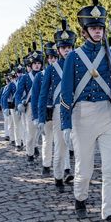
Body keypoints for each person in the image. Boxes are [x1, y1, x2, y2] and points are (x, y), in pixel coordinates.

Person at [60, 0, 111, 222]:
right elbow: (66, 93)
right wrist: (66, 124)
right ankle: (80, 198)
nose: (97, 31)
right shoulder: (74, 57)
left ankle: (108, 215)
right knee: (84, 168)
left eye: (100, 27)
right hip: (82, 115)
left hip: (107, 113)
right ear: (85, 31)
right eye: (93, 27)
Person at [39, 21, 76, 193]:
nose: (67, 50)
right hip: (58, 110)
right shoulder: (52, 69)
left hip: (79, 108)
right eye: (63, 48)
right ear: (59, 50)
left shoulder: (79, 63)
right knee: (61, 145)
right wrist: (40, 117)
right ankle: (58, 176)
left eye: (69, 47)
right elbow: (43, 93)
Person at [32, 42, 59, 177]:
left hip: (60, 110)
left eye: (54, 57)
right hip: (47, 111)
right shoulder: (40, 76)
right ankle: (46, 165)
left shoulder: (64, 71)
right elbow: (37, 97)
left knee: (62, 142)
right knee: (47, 140)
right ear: (47, 60)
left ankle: (64, 169)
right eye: (50, 58)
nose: (52, 60)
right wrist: (37, 117)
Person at [15, 45, 43, 163]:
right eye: (35, 63)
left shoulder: (44, 74)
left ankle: (35, 145)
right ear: (31, 65)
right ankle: (29, 153)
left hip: (42, 105)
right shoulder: (25, 78)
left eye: (39, 63)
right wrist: (18, 104)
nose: (37, 65)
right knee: (31, 131)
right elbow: (18, 93)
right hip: (30, 106)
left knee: (40, 131)